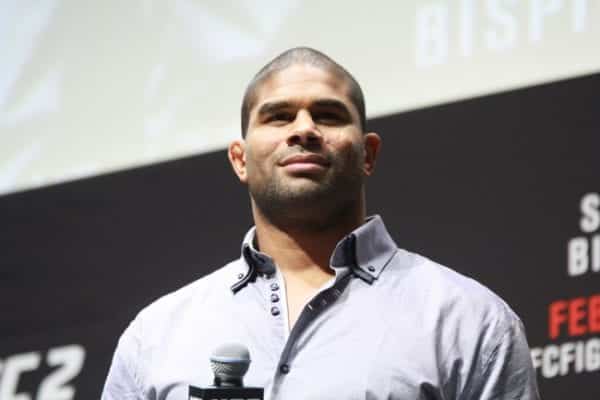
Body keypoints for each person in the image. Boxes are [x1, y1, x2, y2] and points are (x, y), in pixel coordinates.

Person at [101, 47, 540, 400]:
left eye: (328, 115)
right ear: (240, 160)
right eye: (279, 116)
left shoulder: (468, 321)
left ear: (367, 154)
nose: (304, 129)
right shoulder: (157, 336)